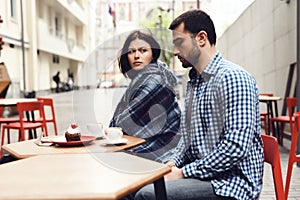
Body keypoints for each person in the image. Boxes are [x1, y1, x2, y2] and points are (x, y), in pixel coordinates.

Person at [135, 9, 264, 200]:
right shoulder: (195, 83)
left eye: (179, 43)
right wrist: (172, 164)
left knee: (147, 195)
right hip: (203, 175)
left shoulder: (232, 78)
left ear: (201, 38)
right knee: (132, 185)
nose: (175, 51)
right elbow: (187, 141)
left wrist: (183, 173)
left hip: (230, 184)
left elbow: (235, 147)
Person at [109, 30, 181, 162]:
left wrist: (111, 130)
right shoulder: (140, 80)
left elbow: (124, 123)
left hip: (163, 149)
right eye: (131, 51)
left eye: (143, 50)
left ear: (153, 53)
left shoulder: (155, 81)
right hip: (152, 145)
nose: (136, 55)